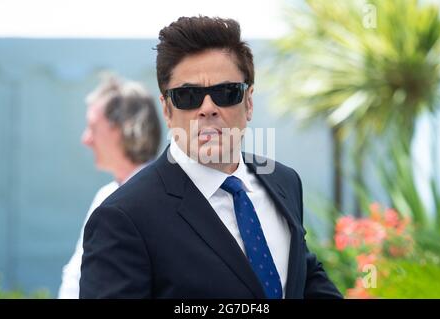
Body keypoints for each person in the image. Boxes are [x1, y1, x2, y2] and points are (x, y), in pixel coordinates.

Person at [80, 16, 342, 299]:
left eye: (226, 92)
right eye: (188, 95)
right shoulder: (123, 217)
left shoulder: (283, 181)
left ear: (249, 102)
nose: (208, 108)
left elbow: (303, 277)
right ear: (167, 110)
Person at [58, 76, 162, 298]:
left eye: (93, 127)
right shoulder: (106, 194)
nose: (86, 139)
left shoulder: (163, 197)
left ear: (126, 128)